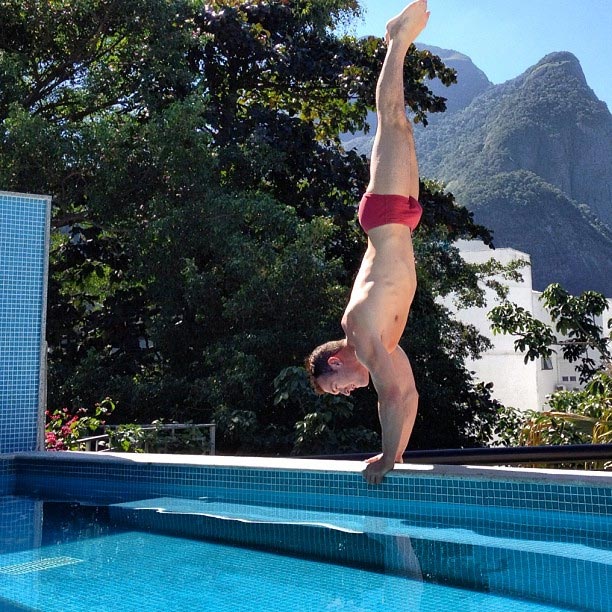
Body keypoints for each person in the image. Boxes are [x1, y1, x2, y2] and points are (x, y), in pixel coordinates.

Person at [304, 0, 430, 485]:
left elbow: (390, 396)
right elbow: (409, 394)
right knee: (402, 126)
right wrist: (394, 456)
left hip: (385, 215)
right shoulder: (381, 341)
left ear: (335, 362)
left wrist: (381, 458)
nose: (343, 394)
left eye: (333, 387)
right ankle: (398, 40)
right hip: (403, 219)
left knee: (393, 119)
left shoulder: (359, 329)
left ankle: (396, 38)